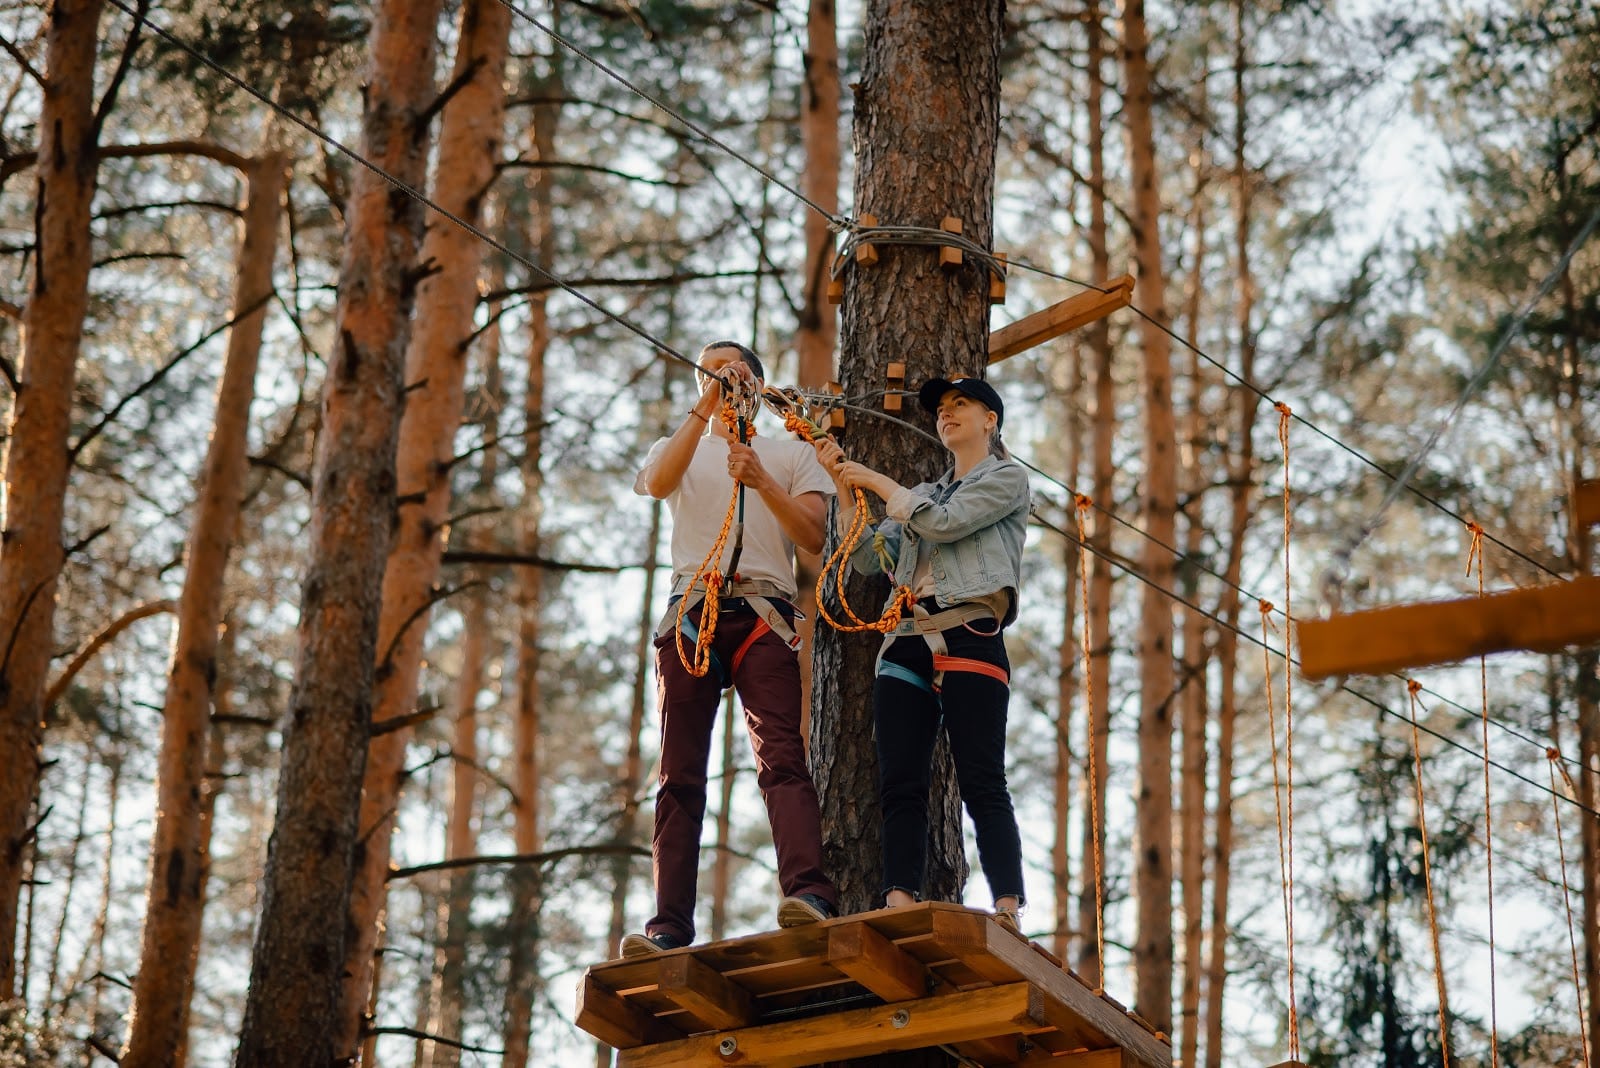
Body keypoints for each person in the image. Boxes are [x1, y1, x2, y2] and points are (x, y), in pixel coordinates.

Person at [622, 341, 840, 957]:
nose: (719, 381)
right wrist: (705, 404)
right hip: (694, 612)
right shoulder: (681, 448)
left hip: (762, 612)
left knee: (781, 756)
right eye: (708, 373)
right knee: (679, 773)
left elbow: (812, 537)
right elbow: (660, 481)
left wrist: (760, 476)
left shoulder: (790, 454)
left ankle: (809, 892)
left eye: (731, 372)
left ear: (757, 384)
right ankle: (668, 925)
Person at [815, 375, 1029, 933]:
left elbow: (948, 524)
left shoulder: (1006, 479)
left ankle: (1006, 904)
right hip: (906, 636)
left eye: (963, 405)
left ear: (991, 420)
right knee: (900, 780)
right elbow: (868, 559)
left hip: (970, 631)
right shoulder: (921, 494)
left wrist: (880, 483)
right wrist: (844, 487)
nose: (947, 414)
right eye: (942, 408)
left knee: (982, 777)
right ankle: (899, 901)